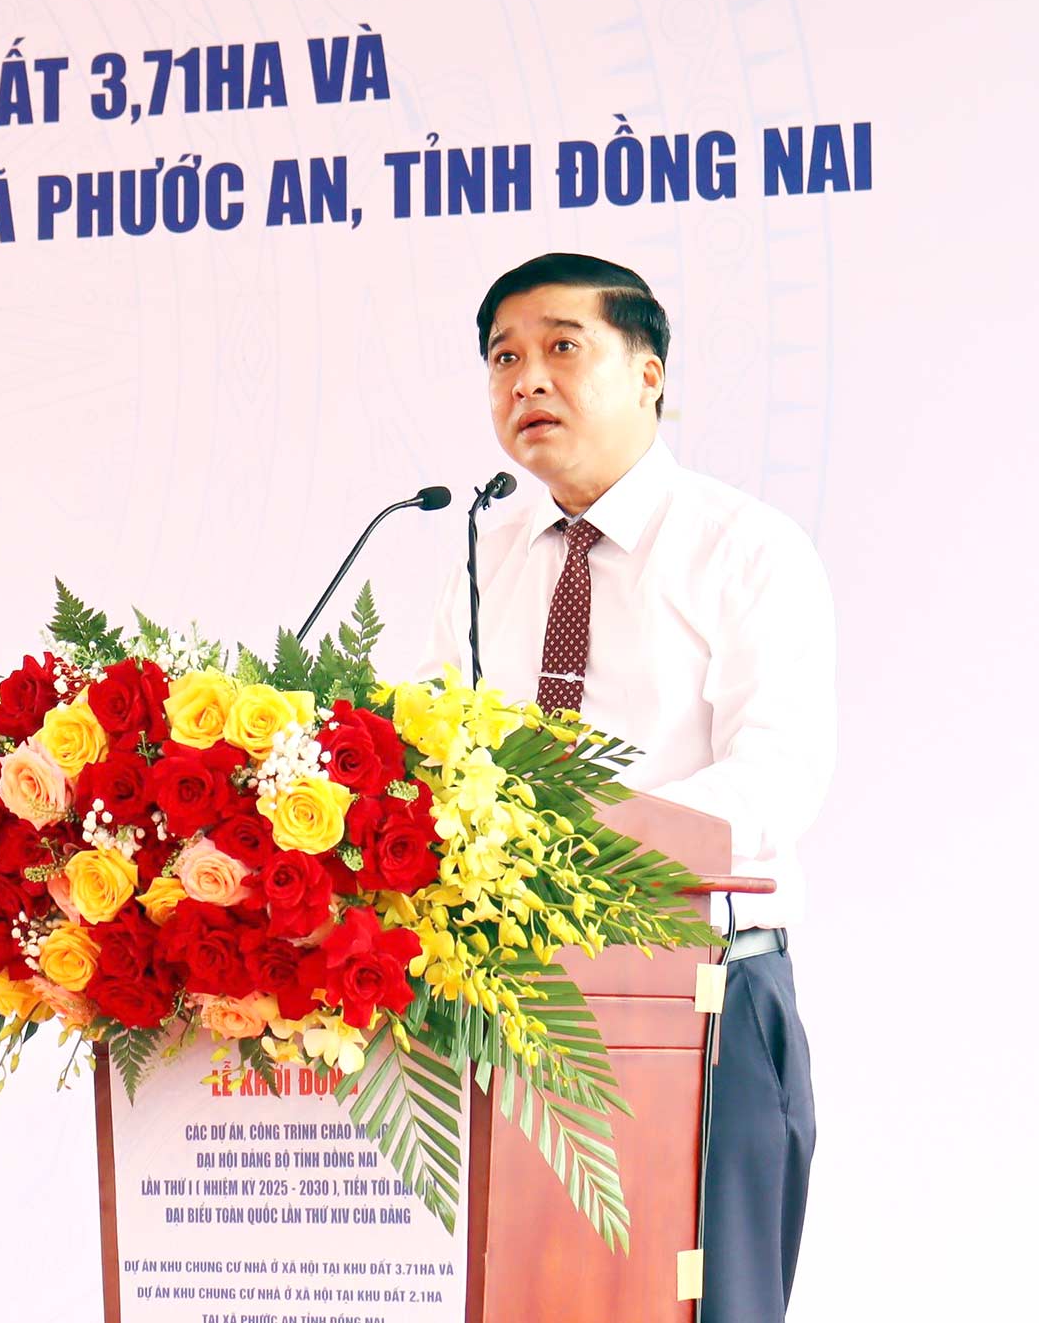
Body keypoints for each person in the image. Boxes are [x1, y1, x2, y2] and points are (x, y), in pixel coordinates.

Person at [416, 253, 832, 1322]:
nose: (526, 380)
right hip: (499, 1004)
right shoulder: (479, 556)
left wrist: (571, 839)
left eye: (562, 346)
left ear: (648, 371)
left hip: (701, 997)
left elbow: (773, 779)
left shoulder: (743, 550)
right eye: (502, 357)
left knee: (701, 1303)